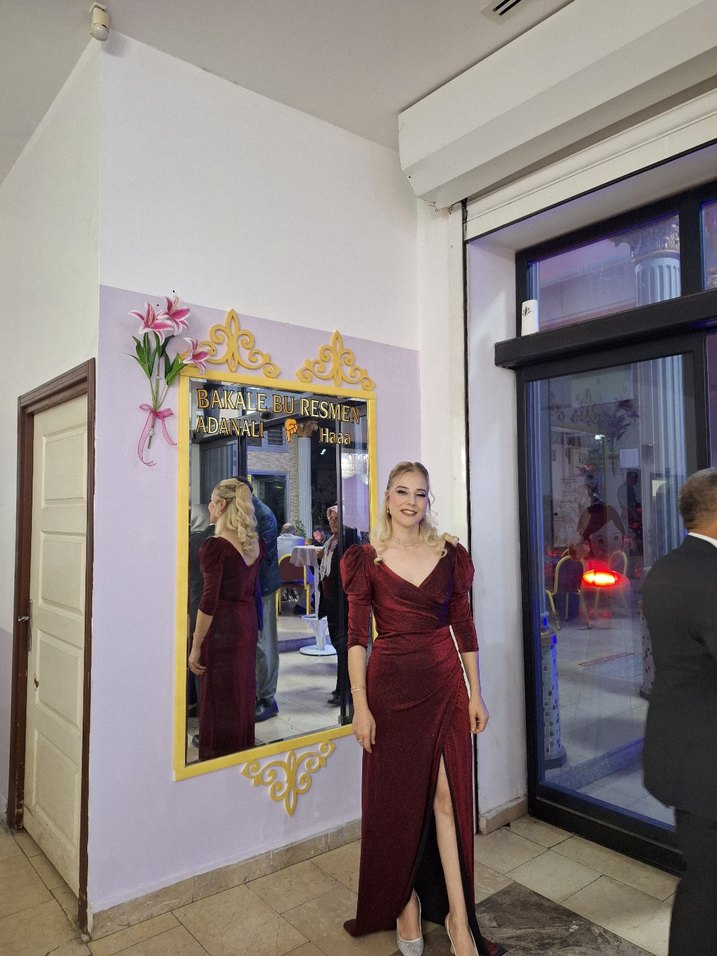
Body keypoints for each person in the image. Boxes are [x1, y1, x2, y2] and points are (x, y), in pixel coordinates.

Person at [341, 462, 504, 956]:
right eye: (402, 492)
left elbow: (464, 626)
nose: (411, 502)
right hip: (389, 690)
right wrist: (360, 705)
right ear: (387, 499)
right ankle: (404, 900)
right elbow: (356, 639)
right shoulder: (365, 559)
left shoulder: (450, 554)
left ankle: (459, 918)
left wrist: (476, 692)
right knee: (397, 802)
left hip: (444, 683)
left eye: (420, 493)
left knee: (447, 799)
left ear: (427, 500)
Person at [642, 467, 717, 955]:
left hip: (679, 749)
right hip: (707, 762)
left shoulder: (665, 568)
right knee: (707, 889)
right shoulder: (710, 577)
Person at [188, 479, 264, 760]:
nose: (208, 506)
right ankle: (240, 750)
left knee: (219, 696)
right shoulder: (256, 544)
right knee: (241, 690)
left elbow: (209, 601)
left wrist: (196, 645)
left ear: (221, 505)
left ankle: (218, 757)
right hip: (246, 624)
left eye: (211, 500)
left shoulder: (215, 547)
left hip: (222, 629)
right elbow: (252, 591)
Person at [236, 478, 282, 723]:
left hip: (262, 587)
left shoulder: (262, 515)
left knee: (264, 644)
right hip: (252, 587)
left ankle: (267, 698)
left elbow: (260, 557)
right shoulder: (248, 512)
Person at [317, 505, 358, 707]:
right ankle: (341, 688)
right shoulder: (331, 541)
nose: (332, 521)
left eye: (336, 518)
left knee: (343, 647)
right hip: (332, 600)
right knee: (338, 646)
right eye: (331, 518)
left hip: (343, 601)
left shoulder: (347, 538)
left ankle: (345, 691)